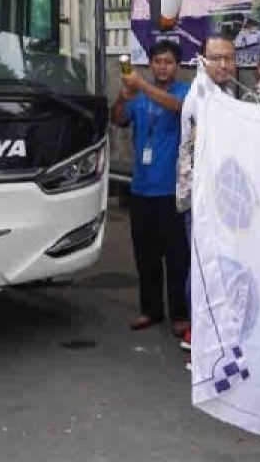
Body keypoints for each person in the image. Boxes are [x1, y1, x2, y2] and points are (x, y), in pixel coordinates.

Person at [111, 39, 191, 336]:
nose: (162, 67)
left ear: (177, 66)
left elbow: (178, 108)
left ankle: (180, 315)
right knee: (145, 256)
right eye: (157, 62)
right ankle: (150, 310)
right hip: (141, 189)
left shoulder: (185, 92)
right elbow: (117, 119)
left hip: (172, 191)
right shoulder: (138, 96)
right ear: (150, 64)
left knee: (177, 257)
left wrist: (142, 86)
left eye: (168, 62)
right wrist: (123, 96)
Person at [175, 34, 238, 360]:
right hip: (201, 200)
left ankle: (212, 329)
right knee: (201, 267)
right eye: (217, 58)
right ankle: (196, 335)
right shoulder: (203, 96)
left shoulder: (225, 92)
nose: (225, 64)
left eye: (230, 58)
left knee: (216, 265)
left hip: (220, 197)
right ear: (203, 60)